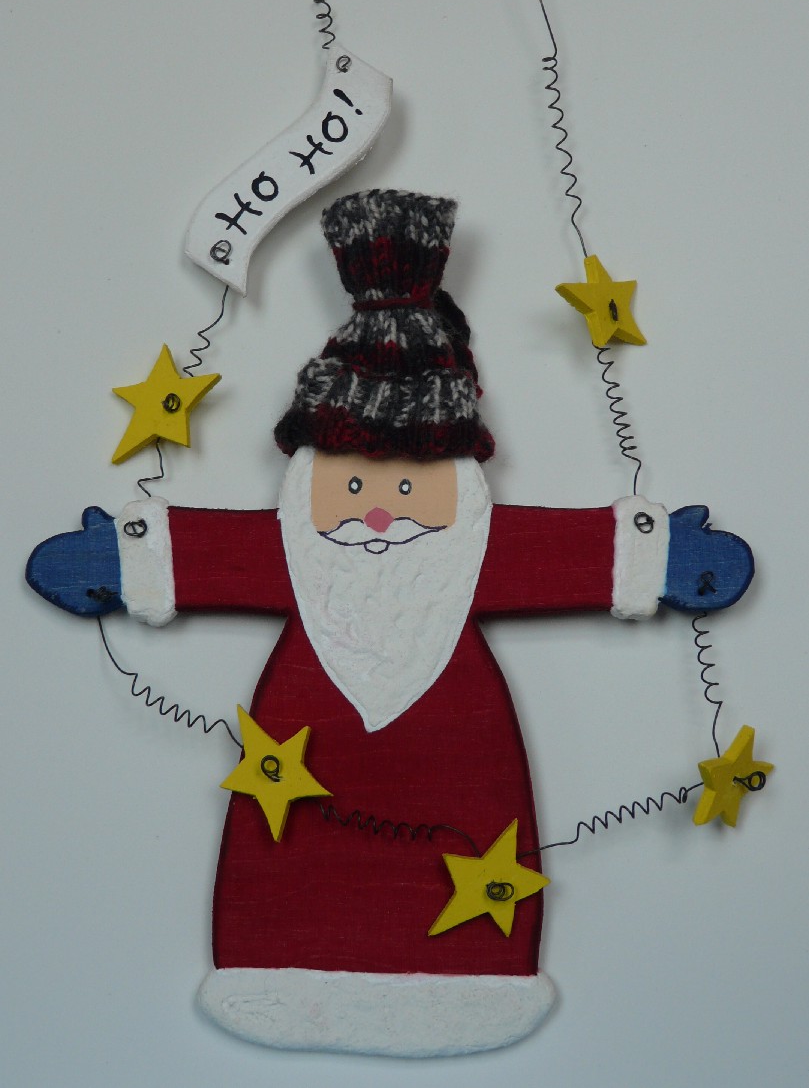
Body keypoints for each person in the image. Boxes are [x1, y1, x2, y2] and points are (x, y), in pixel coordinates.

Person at [26, 189, 753, 1057]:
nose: (377, 512)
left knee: (472, 846)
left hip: (461, 772)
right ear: (305, 482)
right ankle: (276, 960)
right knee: (282, 863)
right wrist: (117, 561)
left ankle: (471, 979)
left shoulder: (477, 550)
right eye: (353, 487)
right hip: (294, 773)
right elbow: (203, 552)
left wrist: (663, 557)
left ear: (460, 488)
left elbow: (575, 551)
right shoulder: (293, 550)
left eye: (407, 487)